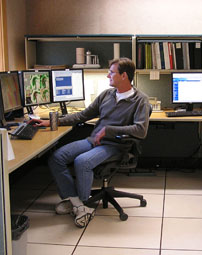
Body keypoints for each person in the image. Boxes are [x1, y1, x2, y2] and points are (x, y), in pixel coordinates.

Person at [30, 57, 150, 228]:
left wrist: (109, 130)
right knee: (57, 157)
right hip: (94, 140)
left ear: (124, 75)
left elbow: (141, 130)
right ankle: (76, 203)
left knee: (82, 162)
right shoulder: (106, 95)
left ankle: (83, 203)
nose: (108, 76)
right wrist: (51, 121)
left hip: (115, 145)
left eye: (111, 72)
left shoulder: (140, 100)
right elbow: (82, 116)